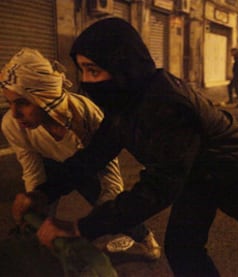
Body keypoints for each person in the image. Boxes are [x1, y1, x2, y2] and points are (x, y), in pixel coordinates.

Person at [12, 18, 238, 276]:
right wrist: (43, 192)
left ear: (124, 66)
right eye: (82, 71)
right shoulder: (125, 101)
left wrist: (81, 227)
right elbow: (94, 155)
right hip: (196, 175)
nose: (85, 82)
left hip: (236, 170)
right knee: (183, 247)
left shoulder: (165, 105)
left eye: (94, 70)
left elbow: (158, 189)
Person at [0, 48, 160, 260]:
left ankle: (146, 240)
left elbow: (106, 166)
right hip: (51, 163)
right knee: (35, 213)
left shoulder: (85, 114)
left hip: (84, 166)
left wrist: (97, 221)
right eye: (9, 102)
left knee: (107, 205)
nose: (14, 113)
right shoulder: (13, 124)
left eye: (23, 102)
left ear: (43, 97)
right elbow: (31, 168)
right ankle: (45, 258)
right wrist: (34, 198)